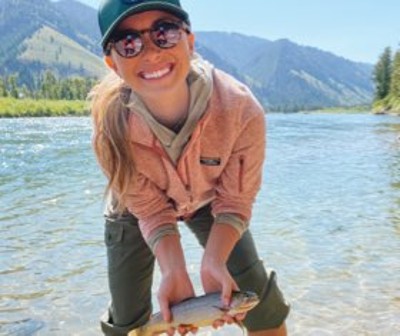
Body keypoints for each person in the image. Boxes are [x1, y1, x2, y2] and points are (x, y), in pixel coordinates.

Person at [90, 0, 290, 335]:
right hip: (135, 208)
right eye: (129, 42)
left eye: (164, 32)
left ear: (190, 40)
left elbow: (236, 201)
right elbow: (151, 209)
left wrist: (214, 261)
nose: (151, 52)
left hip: (211, 198)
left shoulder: (241, 110)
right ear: (113, 64)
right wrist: (174, 270)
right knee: (128, 322)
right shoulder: (110, 131)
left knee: (262, 307)